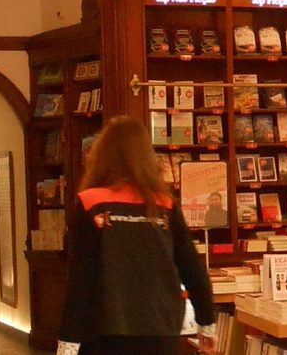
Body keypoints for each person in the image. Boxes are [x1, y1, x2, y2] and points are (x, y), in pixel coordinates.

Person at [58, 116, 215, 355]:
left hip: (105, 328)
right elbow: (192, 269)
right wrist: (206, 323)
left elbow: (80, 278)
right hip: (161, 327)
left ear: (102, 156)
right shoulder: (165, 205)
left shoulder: (91, 203)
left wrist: (68, 342)